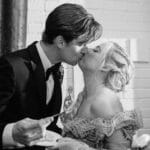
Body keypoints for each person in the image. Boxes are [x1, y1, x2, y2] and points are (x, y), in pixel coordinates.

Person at [0, 3, 102, 150]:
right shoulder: (10, 66)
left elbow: (48, 126)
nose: (86, 50)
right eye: (81, 43)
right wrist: (11, 134)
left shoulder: (57, 69)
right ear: (60, 41)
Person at [58, 41, 143, 150]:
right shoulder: (85, 96)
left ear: (107, 67)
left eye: (96, 50)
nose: (86, 49)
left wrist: (78, 148)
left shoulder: (104, 102)